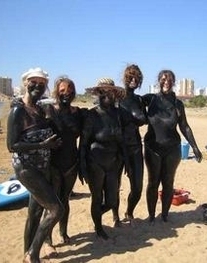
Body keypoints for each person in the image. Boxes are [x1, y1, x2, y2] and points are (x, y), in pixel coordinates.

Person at [6, 67, 63, 263]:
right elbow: (12, 145)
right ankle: (32, 254)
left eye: (41, 84)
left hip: (43, 166)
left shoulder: (39, 109)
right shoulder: (17, 110)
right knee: (56, 209)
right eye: (33, 82)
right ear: (25, 83)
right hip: (26, 168)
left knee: (35, 211)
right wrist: (43, 144)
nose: (37, 86)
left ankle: (26, 253)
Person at [142, 69, 203, 224]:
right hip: (152, 148)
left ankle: (164, 214)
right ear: (158, 81)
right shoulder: (150, 100)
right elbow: (130, 104)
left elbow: (185, 127)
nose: (166, 82)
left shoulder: (177, 104)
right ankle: (151, 215)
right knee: (153, 182)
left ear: (173, 82)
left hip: (172, 149)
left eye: (169, 80)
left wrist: (194, 147)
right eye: (163, 79)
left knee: (168, 182)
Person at [79, 78, 127, 240]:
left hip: (113, 162)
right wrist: (83, 166)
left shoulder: (118, 114)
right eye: (103, 91)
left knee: (112, 199)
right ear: (98, 94)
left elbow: (122, 141)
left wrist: (125, 160)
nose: (107, 94)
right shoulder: (92, 115)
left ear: (114, 94)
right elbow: (83, 143)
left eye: (110, 91)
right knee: (97, 197)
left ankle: (97, 215)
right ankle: (98, 227)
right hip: (95, 163)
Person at [42, 76, 86, 249]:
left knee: (65, 200)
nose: (66, 93)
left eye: (69, 90)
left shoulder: (78, 113)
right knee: (52, 203)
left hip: (71, 164)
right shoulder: (49, 111)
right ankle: (47, 237)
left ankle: (63, 232)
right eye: (62, 90)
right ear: (56, 92)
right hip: (53, 164)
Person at [116, 64, 147, 222]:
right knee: (114, 186)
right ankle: (115, 216)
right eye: (130, 77)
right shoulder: (117, 97)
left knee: (137, 187)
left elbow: (146, 119)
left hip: (135, 146)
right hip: (117, 148)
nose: (134, 80)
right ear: (125, 78)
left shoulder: (139, 100)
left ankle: (129, 212)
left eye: (137, 77)